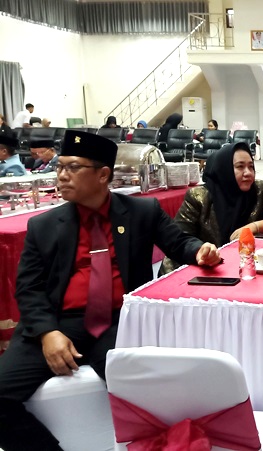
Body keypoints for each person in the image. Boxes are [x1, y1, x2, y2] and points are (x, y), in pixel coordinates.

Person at [0, 130, 221, 451]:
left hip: (118, 321)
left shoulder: (142, 212)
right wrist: (48, 334)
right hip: (58, 322)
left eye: (73, 167)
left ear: (103, 175)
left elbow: (179, 242)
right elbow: (28, 288)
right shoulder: (43, 225)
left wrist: (201, 251)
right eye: (60, 166)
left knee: (149, 398)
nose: (61, 175)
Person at [161, 142, 263, 274]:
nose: (248, 173)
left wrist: (253, 227)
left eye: (251, 167)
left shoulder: (260, 189)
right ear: (224, 169)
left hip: (244, 265)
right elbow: (180, 239)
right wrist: (202, 251)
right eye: (240, 167)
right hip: (203, 268)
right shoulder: (198, 196)